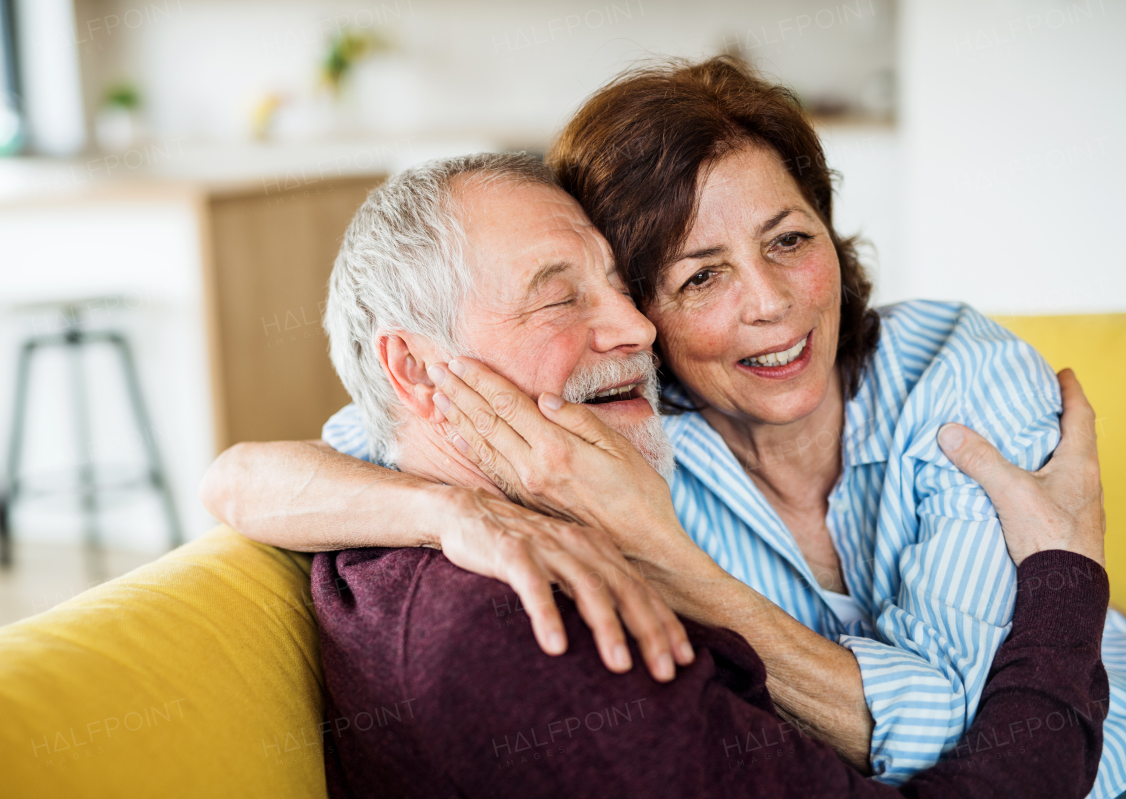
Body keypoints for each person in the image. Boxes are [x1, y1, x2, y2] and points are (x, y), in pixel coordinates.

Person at [201, 59, 1123, 794]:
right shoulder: (607, 423)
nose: (772, 305)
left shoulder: (957, 373)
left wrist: (661, 552)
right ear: (653, 310)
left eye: (791, 240)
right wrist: (449, 516)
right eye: (699, 277)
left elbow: (982, 729)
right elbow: (255, 475)